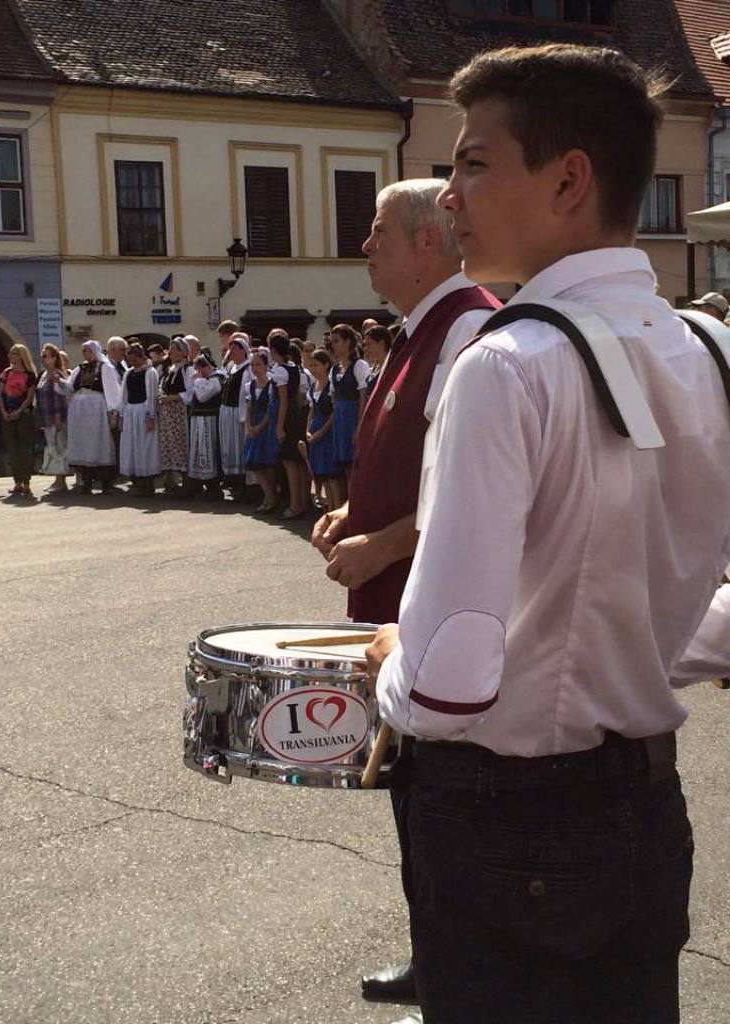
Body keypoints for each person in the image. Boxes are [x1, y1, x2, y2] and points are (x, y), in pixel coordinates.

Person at [365, 43, 730, 1024]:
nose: (449, 195)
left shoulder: (505, 365)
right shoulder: (712, 348)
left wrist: (394, 664)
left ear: (569, 179)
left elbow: (447, 683)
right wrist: (632, 647)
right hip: (646, 807)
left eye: (473, 163)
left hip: (506, 820)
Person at [312, 177, 499, 1009]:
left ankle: (455, 978)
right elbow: (416, 467)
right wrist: (355, 514)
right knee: (415, 803)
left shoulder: (466, 327)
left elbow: (472, 491)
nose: (365, 246)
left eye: (378, 231)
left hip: (432, 615)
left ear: (427, 242)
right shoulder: (424, 326)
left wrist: (382, 544)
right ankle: (437, 963)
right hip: (404, 609)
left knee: (441, 810)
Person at [57, 339, 122, 494]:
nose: (85, 353)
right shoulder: (81, 368)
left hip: (96, 410)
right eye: (83, 351)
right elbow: (70, 387)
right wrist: (59, 382)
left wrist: (113, 410)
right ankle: (86, 482)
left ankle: (106, 483)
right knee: (83, 444)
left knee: (99, 443)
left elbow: (112, 390)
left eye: (87, 350)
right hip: (80, 411)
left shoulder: (105, 368)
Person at [269, 331, 309, 519]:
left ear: (273, 350)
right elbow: (300, 398)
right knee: (297, 462)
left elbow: (283, 400)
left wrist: (279, 427)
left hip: (285, 416)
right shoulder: (295, 368)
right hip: (296, 416)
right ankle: (302, 502)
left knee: (290, 462)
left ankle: (295, 505)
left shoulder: (280, 371)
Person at [328, 324, 370, 484]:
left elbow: (363, 397)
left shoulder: (359, 366)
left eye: (336, 341)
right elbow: (333, 397)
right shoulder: (335, 369)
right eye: (332, 341)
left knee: (356, 462)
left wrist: (359, 426)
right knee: (345, 464)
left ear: (347, 342)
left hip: (353, 416)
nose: (333, 345)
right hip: (340, 418)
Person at [118, 342, 160, 495]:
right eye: (130, 360)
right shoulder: (128, 373)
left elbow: (152, 396)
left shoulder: (150, 372)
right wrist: (122, 415)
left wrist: (151, 416)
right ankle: (138, 481)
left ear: (142, 357)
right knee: (133, 446)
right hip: (130, 412)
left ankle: (149, 483)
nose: (133, 363)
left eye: (135, 360)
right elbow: (123, 395)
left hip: (143, 411)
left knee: (146, 446)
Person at [305, 348, 343, 511]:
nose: (313, 369)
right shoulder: (313, 387)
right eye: (311, 366)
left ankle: (337, 508)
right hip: (315, 432)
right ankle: (330, 508)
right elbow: (312, 411)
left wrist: (321, 432)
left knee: (332, 475)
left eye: (316, 365)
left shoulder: (331, 385)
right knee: (323, 475)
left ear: (326, 365)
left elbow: (334, 412)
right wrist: (308, 430)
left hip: (328, 432)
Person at [0, 343, 38, 498]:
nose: (9, 356)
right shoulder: (6, 373)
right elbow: (1, 394)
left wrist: (19, 411)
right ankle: (17, 482)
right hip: (8, 414)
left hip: (24, 415)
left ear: (21, 356)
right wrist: (4, 412)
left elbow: (29, 397)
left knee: (25, 448)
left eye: (13, 353)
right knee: (12, 448)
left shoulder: (29, 375)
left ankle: (26, 482)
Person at [244, 349, 279, 512]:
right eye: (252, 365)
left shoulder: (272, 385)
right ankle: (269, 496)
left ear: (266, 366)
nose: (255, 368)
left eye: (258, 364)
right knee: (255, 464)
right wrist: (249, 426)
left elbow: (271, 410)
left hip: (266, 426)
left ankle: (271, 498)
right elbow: (249, 407)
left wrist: (260, 426)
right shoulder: (250, 386)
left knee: (268, 464)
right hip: (254, 424)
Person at [218, 332, 253, 499]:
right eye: (230, 348)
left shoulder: (247, 369)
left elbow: (245, 395)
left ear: (243, 350)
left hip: (237, 412)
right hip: (227, 412)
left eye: (235, 348)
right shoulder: (232, 367)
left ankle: (243, 484)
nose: (231, 351)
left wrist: (244, 417)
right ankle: (232, 481)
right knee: (229, 446)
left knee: (238, 446)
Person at [36, 343, 70, 493]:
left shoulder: (57, 374)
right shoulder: (44, 375)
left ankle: (61, 480)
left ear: (54, 358)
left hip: (56, 417)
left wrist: (58, 417)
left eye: (45, 356)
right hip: (46, 417)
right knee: (52, 446)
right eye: (42, 356)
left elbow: (60, 396)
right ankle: (57, 478)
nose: (42, 359)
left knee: (59, 445)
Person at [187, 353, 223, 497]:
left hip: (209, 420)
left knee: (208, 451)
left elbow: (202, 397)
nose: (198, 371)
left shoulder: (216, 379)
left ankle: (213, 487)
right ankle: (198, 483)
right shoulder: (206, 379)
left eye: (200, 368)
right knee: (199, 451)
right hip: (199, 420)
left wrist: (199, 380)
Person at [158, 337, 191, 493]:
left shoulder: (187, 370)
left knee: (180, 445)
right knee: (168, 445)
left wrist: (173, 398)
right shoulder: (169, 369)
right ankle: (170, 481)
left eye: (173, 350)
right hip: (167, 414)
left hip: (179, 412)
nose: (169, 352)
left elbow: (191, 393)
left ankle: (186, 483)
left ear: (182, 352)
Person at [362, 325, 392, 399]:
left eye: (369, 344)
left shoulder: (392, 367)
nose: (366, 349)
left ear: (381, 343)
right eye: (365, 345)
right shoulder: (374, 367)